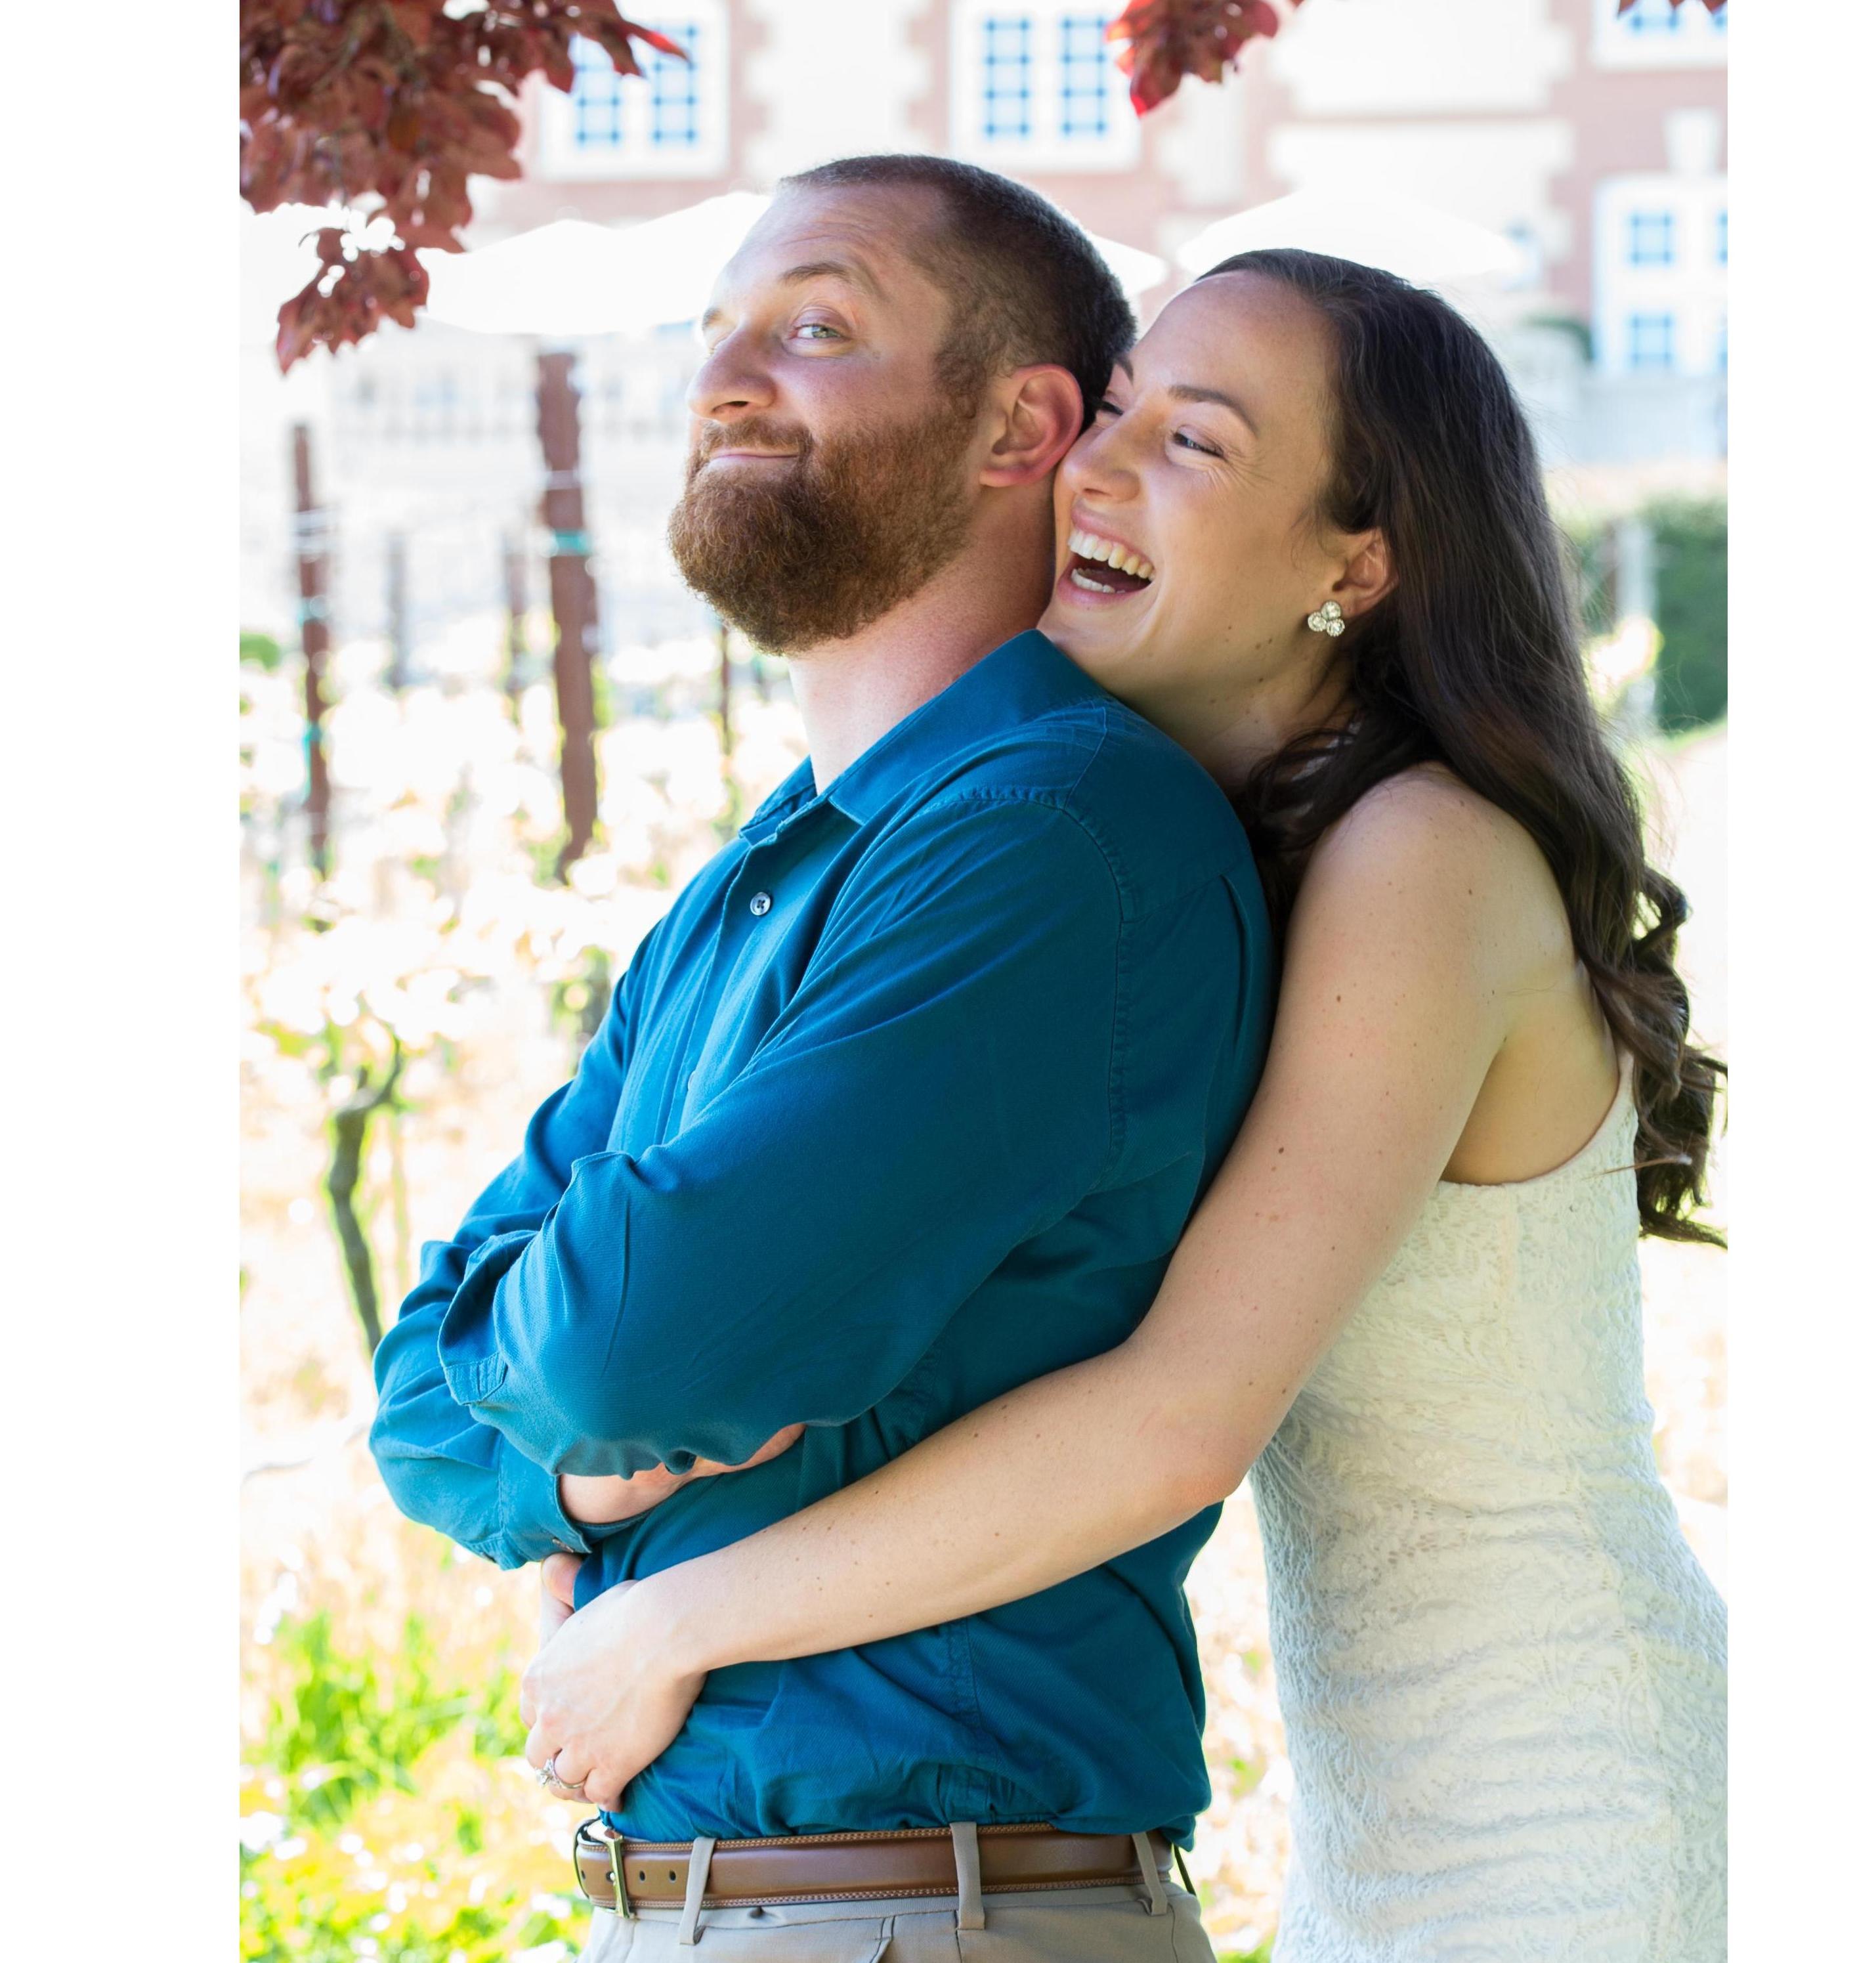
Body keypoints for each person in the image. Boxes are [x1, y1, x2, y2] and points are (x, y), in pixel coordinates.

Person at [519, 249, 1728, 1962]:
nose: (1102, 461)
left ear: (1358, 561)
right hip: (1377, 1832)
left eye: (1199, 443)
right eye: (1119, 409)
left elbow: (1175, 1417)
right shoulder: (1203, 858)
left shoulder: (1423, 859)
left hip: (1566, 1812)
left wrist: (670, 1627)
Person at [369, 154, 1273, 1962]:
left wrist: (595, 1387)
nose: (722, 380)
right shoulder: (753, 887)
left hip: (924, 1909)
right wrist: (602, 1472)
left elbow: (637, 1343)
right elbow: (411, 1394)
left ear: (1021, 420)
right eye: (715, 335)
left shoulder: (1047, 838)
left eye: (815, 326)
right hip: (731, 1909)